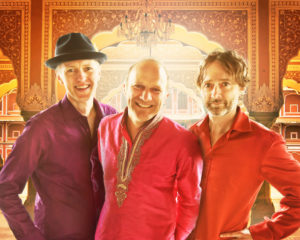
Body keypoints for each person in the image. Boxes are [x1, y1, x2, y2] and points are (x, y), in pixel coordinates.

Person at [0, 32, 116, 240]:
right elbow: (5, 188)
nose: (81, 77)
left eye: (88, 68)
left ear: (99, 72)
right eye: (71, 70)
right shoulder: (41, 128)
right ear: (59, 76)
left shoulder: (113, 119)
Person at [188, 50, 300, 240]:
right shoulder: (188, 137)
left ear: (241, 87)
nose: (215, 93)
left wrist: (261, 233)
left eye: (225, 84)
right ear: (200, 87)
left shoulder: (264, 142)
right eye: (208, 85)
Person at [95, 59, 203, 240]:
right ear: (125, 88)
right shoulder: (105, 127)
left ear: (165, 95)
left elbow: (191, 201)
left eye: (156, 90)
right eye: (138, 86)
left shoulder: (184, 141)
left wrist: (178, 238)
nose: (145, 97)